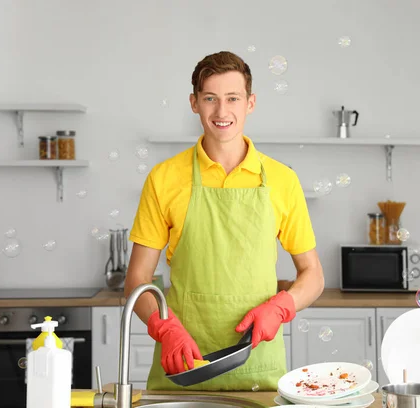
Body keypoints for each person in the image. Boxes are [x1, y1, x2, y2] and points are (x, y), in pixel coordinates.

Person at [125, 50, 324, 391]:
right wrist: (165, 328)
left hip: (258, 370)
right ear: (194, 103)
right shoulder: (164, 178)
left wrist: (280, 307)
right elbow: (137, 280)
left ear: (250, 103)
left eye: (233, 98)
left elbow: (313, 275)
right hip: (184, 368)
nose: (221, 111)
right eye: (210, 99)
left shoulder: (282, 180)